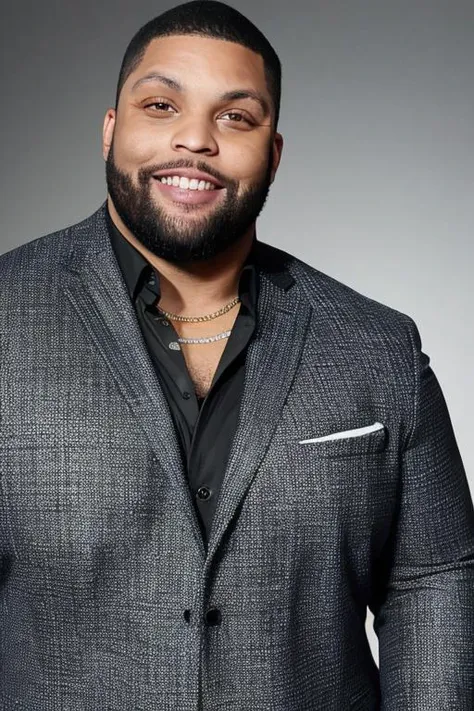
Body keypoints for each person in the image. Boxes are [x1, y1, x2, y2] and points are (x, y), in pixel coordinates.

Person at [0, 1, 472, 708]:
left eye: (235, 117)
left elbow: (433, 576)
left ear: (273, 153)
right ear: (110, 130)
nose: (194, 140)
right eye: (161, 104)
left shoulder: (378, 346)